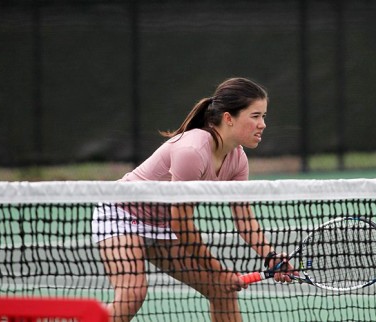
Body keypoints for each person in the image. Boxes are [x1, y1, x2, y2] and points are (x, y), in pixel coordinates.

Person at [92, 77, 292, 322]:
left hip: (161, 224)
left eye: (264, 116)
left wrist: (271, 257)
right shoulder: (193, 151)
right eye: (255, 116)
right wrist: (218, 271)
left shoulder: (238, 160)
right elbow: (182, 225)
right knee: (132, 293)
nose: (262, 124)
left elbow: (245, 221)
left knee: (222, 292)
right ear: (229, 118)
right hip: (121, 214)